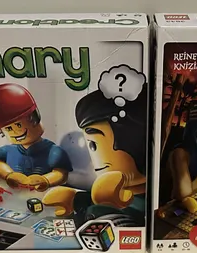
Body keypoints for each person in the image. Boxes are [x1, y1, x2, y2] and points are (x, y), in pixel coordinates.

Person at [43, 86, 147, 223]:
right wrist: (74, 200)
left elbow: (119, 224)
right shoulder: (105, 191)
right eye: (92, 146)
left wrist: (103, 207)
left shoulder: (143, 203)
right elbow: (91, 201)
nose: (96, 160)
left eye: (95, 145)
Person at [0, 83, 72, 191]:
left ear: (34, 118)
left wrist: (46, 180)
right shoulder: (9, 150)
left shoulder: (53, 151)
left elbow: (61, 173)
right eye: (8, 128)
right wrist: (8, 174)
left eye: (18, 125)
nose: (15, 132)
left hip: (44, 195)